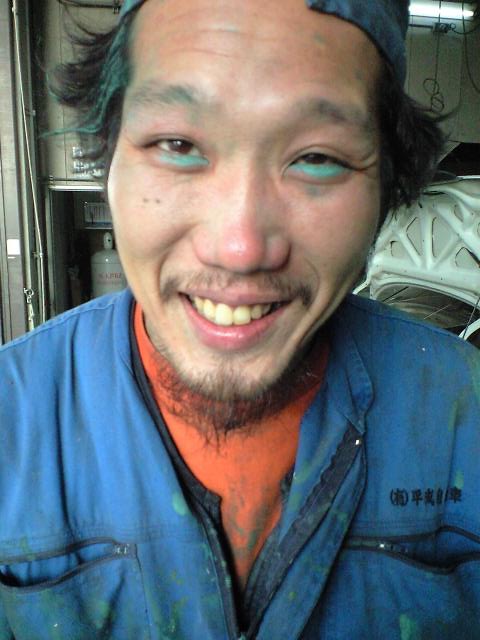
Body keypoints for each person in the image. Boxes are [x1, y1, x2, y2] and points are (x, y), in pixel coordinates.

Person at [1, 0, 479, 638]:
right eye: (177, 144)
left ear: (385, 185)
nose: (241, 247)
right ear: (107, 160)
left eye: (317, 158)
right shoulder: (13, 422)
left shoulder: (464, 417)